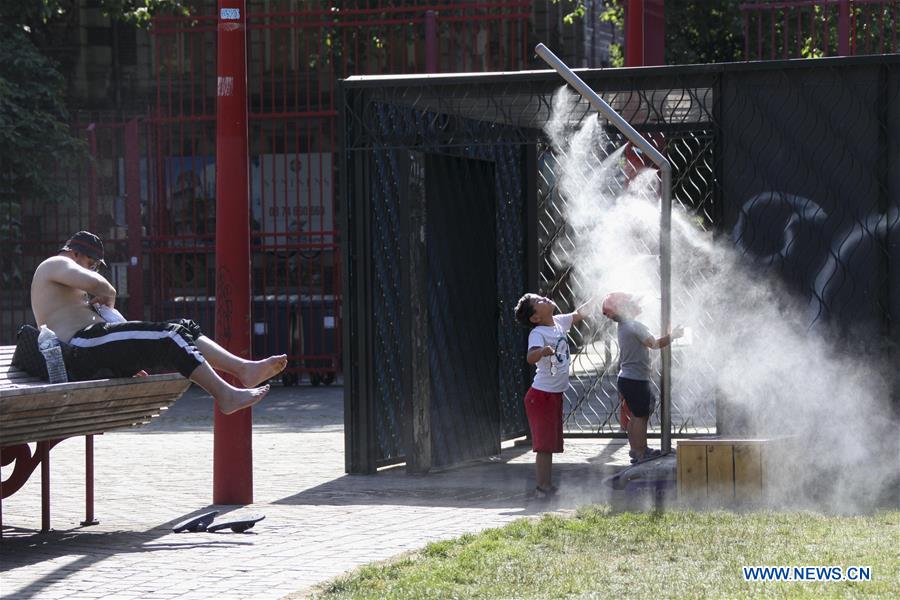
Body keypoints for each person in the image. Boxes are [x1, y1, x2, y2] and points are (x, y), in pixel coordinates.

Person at [30, 231, 287, 415]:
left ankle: (242, 368)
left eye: (96, 266)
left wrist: (130, 356)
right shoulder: (56, 263)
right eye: (91, 263)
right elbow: (98, 285)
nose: (94, 269)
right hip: (80, 345)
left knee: (183, 328)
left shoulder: (65, 280)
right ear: (75, 253)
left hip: (92, 344)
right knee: (170, 336)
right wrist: (109, 291)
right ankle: (226, 395)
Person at [514, 292, 591, 498]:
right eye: (539, 301)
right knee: (544, 447)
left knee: (549, 445)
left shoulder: (558, 322)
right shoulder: (537, 333)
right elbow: (531, 357)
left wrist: (598, 296)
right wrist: (542, 352)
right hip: (541, 396)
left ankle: (546, 486)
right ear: (535, 318)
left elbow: (578, 314)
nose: (545, 298)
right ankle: (542, 488)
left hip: (553, 394)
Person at [601, 292, 683, 463]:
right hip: (636, 380)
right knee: (640, 416)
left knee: (636, 415)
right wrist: (672, 336)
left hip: (627, 379)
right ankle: (641, 451)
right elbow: (653, 344)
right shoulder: (635, 326)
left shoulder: (624, 326)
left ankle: (635, 449)